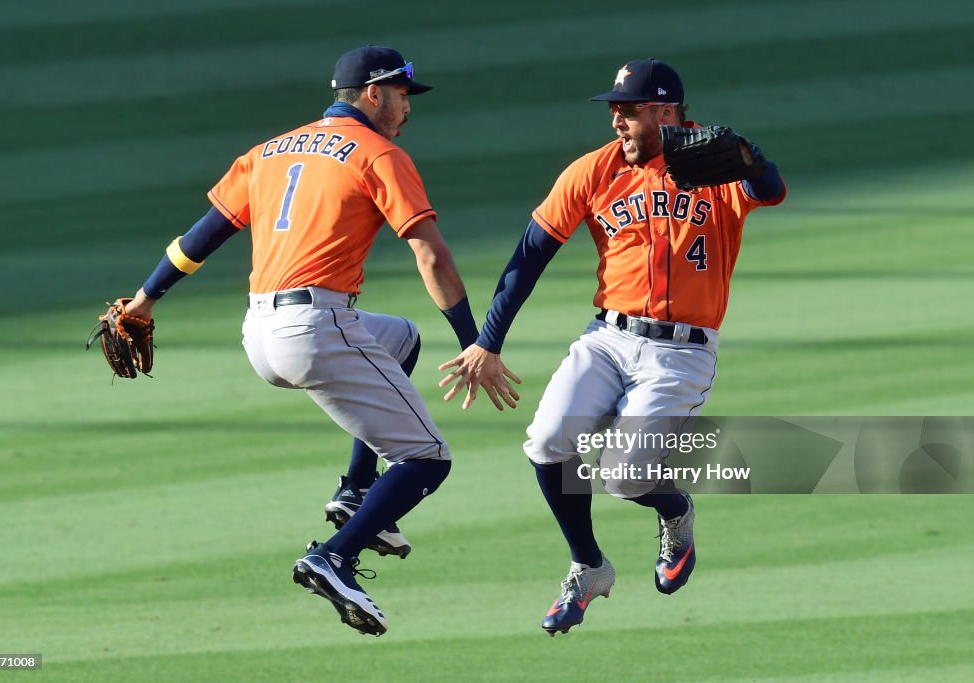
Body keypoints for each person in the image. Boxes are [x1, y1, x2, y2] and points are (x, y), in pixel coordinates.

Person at [119, 45, 516, 636]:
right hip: (315, 329)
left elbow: (202, 236)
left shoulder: (269, 151)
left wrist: (145, 298)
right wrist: (475, 342)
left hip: (258, 332)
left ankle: (356, 492)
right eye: (404, 94)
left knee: (401, 338)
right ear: (374, 93)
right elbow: (430, 254)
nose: (409, 107)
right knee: (427, 458)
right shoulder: (379, 153)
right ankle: (336, 555)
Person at [439, 58, 786, 635]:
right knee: (548, 442)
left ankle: (675, 513)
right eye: (614, 109)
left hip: (682, 353)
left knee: (625, 476)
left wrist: (754, 160)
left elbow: (770, 190)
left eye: (628, 109)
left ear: (666, 111)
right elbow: (529, 256)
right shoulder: (594, 171)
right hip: (608, 338)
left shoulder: (713, 163)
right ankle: (588, 565)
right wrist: (487, 342)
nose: (616, 120)